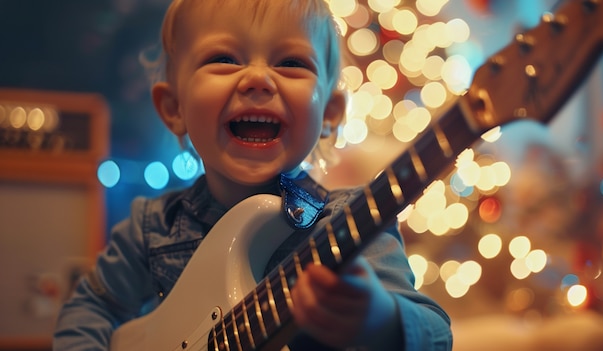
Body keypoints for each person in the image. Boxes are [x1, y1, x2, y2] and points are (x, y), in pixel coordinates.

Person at [53, 0, 452, 350]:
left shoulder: (346, 224)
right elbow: (92, 308)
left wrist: (381, 318)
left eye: (291, 63)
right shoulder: (152, 226)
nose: (259, 79)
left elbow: (437, 335)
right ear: (174, 107)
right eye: (224, 59)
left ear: (329, 114)